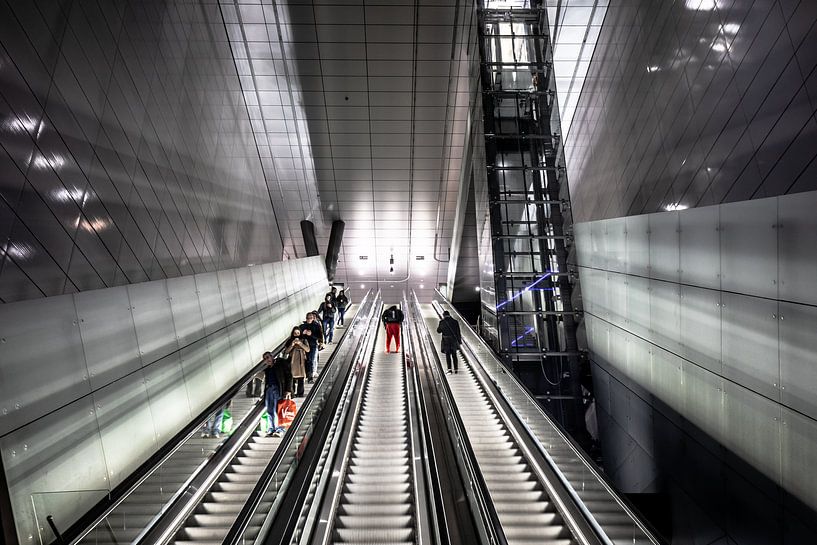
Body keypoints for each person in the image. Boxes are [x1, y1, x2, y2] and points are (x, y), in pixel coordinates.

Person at [262, 351, 292, 437]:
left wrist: (288, 390)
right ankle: (271, 428)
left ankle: (280, 429)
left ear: (272, 357)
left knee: (278, 410)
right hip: (269, 390)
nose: (267, 360)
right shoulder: (267, 369)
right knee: (269, 410)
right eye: (265, 359)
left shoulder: (280, 364)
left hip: (278, 389)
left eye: (268, 357)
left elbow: (289, 376)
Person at [300, 312, 324, 382]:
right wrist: (302, 333)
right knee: (306, 360)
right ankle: (306, 375)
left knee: (311, 360)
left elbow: (319, 337)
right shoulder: (302, 326)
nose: (309, 320)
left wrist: (311, 334)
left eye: (310, 318)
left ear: (313, 318)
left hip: (313, 345)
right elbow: (297, 335)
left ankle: (310, 376)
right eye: (307, 318)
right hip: (304, 346)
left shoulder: (317, 326)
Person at [286, 326, 310, 397]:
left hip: (301, 361)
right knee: (291, 377)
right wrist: (292, 345)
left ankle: (300, 393)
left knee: (301, 378)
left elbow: (308, 349)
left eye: (298, 333)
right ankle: (292, 393)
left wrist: (300, 344)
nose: (296, 334)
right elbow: (286, 351)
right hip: (292, 361)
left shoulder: (304, 340)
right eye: (295, 333)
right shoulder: (290, 341)